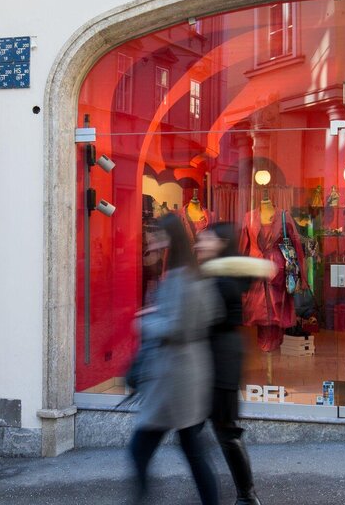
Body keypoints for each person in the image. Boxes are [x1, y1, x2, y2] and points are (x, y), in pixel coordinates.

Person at [129, 214, 222, 505]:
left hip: (175, 379)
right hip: (184, 375)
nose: (151, 241)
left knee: (142, 449)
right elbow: (208, 314)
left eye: (155, 235)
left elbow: (177, 327)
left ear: (169, 237)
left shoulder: (181, 277)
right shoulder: (191, 273)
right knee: (192, 451)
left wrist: (146, 322)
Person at [197, 222, 275, 505]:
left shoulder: (222, 281)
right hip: (217, 363)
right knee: (212, 430)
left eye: (204, 240)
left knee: (225, 431)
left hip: (221, 366)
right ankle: (239, 494)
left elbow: (207, 320)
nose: (199, 245)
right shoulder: (219, 277)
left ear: (219, 243)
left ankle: (246, 495)